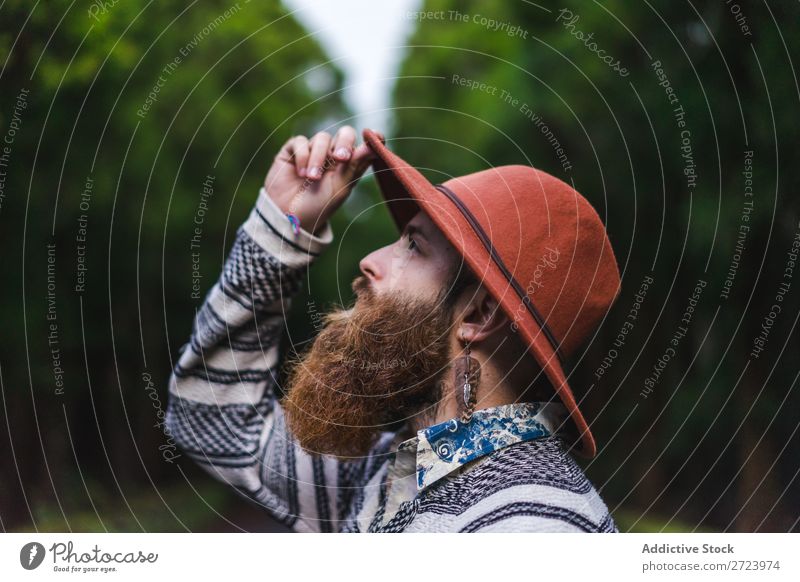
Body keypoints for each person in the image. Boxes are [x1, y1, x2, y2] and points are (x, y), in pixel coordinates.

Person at [165, 125, 622, 533]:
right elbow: (213, 421)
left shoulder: (532, 529)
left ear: (480, 314)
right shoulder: (389, 474)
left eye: (414, 246)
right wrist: (282, 227)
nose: (370, 261)